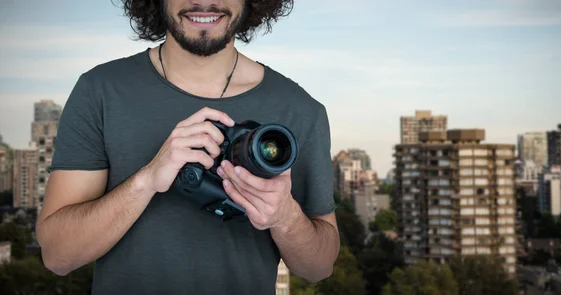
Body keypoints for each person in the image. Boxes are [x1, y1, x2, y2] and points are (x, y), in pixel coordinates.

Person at [35, 0, 340, 294]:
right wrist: (148, 180)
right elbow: (58, 256)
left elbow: (319, 268)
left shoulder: (299, 110)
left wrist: (284, 217)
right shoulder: (100, 91)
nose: (204, 2)